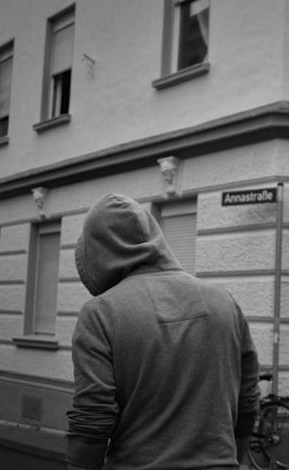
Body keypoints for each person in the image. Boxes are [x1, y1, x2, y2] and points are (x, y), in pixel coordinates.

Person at [66, 193, 260, 469]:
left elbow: (92, 422)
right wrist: (233, 461)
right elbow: (248, 399)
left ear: (97, 251)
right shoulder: (224, 302)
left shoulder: (101, 313)